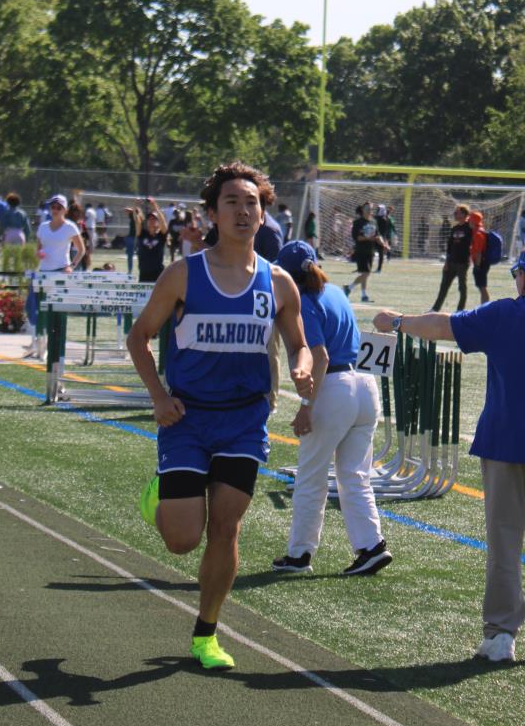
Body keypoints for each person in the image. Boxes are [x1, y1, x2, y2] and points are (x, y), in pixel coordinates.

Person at [373, 239, 525, 662]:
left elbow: (443, 326)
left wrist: (396, 321)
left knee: (505, 543)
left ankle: (502, 635)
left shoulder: (505, 313)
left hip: (507, 445)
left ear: (523, 277)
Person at [127, 161, 312, 670]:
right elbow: (139, 337)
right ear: (212, 212)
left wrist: (301, 368)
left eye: (252, 203)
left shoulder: (279, 283)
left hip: (244, 422)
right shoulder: (184, 274)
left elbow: (299, 344)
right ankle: (160, 496)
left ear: (263, 214)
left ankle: (206, 634)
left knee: (226, 527)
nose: (243, 211)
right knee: (182, 539)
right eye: (232, 202)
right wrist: (158, 397)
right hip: (186, 418)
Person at [271, 240, 392, 577]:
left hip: (334, 389)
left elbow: (320, 356)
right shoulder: (336, 291)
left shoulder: (303, 301)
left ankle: (299, 554)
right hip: (365, 385)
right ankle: (371, 546)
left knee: (311, 476)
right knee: (355, 475)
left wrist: (306, 405)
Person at [28, 194, 86, 358]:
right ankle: (40, 344)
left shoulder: (70, 227)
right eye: (52, 207)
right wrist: (39, 253)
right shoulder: (43, 226)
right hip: (44, 272)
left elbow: (81, 250)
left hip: (61, 272)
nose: (55, 210)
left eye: (58, 207)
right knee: (40, 309)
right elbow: (39, 248)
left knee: (58, 312)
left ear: (65, 210)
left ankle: (56, 346)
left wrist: (72, 266)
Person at [431, 204, 478, 312]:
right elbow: (449, 247)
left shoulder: (470, 228)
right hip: (451, 262)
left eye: (457, 213)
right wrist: (446, 262)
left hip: (462, 262)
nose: (455, 214)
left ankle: (460, 311)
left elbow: (475, 243)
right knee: (443, 287)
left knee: (462, 287)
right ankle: (435, 309)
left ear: (464, 214)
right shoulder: (454, 228)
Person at [343, 201, 382, 301]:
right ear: (363, 210)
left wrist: (384, 244)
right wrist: (369, 238)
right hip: (361, 251)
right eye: (367, 209)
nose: (369, 210)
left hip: (371, 251)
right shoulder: (358, 222)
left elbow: (377, 235)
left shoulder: (374, 222)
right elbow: (357, 237)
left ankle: (363, 295)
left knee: (365, 274)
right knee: (366, 273)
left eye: (371, 209)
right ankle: (350, 288)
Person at [136, 201, 168, 283]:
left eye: (154, 219)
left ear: (158, 222)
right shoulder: (142, 234)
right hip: (144, 272)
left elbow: (164, 224)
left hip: (158, 272)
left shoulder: (161, 236)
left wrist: (156, 207)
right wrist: (136, 207)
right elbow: (137, 222)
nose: (151, 220)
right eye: (149, 219)